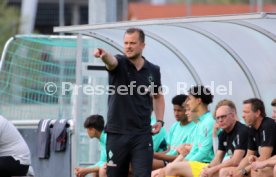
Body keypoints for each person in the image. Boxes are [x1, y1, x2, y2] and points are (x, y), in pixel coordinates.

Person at [93, 28, 165, 177]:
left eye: (132, 43)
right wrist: (104, 55)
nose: (128, 46)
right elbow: (111, 62)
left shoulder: (153, 70)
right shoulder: (119, 63)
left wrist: (159, 120)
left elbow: (158, 96)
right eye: (126, 43)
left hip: (142, 134)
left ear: (142, 45)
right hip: (117, 134)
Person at [160, 85, 215, 177]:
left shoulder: (208, 122)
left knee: (171, 169)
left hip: (206, 164)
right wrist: (182, 163)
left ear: (198, 101)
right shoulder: (200, 122)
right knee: (162, 171)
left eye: (189, 99)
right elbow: (194, 150)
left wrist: (183, 163)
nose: (187, 103)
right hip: (197, 163)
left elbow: (203, 153)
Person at [220, 98, 276, 177]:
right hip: (260, 165)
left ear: (257, 113)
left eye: (246, 112)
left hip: (269, 165)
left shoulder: (268, 125)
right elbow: (248, 155)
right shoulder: (252, 128)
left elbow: (264, 158)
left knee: (256, 172)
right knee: (225, 172)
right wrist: (237, 170)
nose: (243, 115)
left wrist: (242, 171)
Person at [199, 99, 249, 177]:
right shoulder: (222, 134)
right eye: (217, 118)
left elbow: (235, 161)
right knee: (204, 173)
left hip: (246, 169)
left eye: (223, 117)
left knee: (223, 172)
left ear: (232, 115)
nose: (220, 120)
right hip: (236, 168)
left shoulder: (242, 130)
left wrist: (213, 169)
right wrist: (208, 168)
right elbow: (217, 158)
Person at [152, 94, 195, 172]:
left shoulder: (195, 127)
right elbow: (169, 150)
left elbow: (184, 157)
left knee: (135, 165)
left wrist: (155, 155)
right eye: (174, 110)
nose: (176, 113)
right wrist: (155, 155)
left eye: (179, 110)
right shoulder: (174, 126)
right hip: (167, 161)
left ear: (187, 109)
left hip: (177, 162)